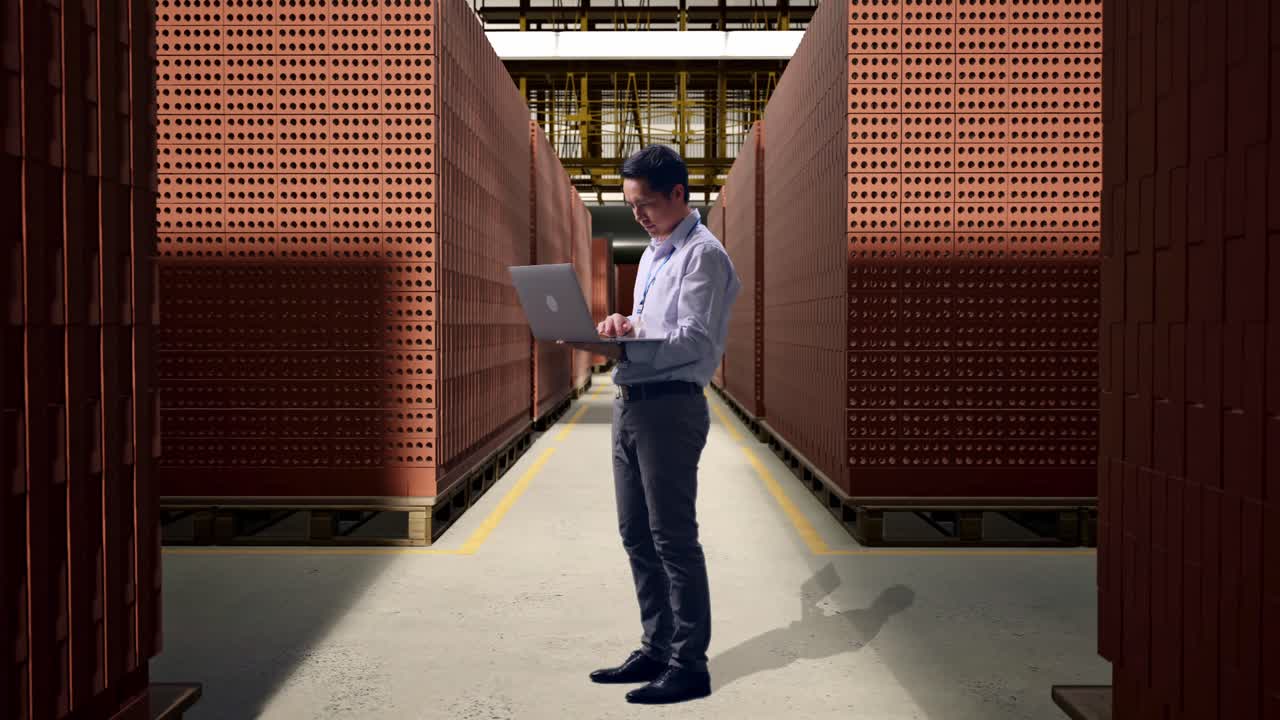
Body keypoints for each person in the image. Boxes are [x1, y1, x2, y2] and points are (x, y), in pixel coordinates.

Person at [558, 144, 741, 704]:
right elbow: (653, 324)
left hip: (670, 406)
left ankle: (689, 665)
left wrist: (620, 350)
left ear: (679, 194)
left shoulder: (703, 256)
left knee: (673, 539)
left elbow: (692, 341)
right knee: (636, 533)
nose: (638, 215)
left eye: (646, 204)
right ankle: (657, 647)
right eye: (631, 205)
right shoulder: (655, 254)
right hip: (633, 401)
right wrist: (623, 323)